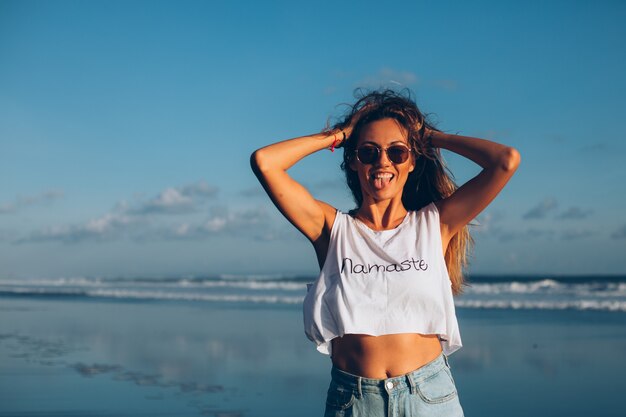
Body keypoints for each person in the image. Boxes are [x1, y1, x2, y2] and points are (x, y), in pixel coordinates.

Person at [250, 89, 520, 417]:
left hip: (428, 397)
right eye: (368, 152)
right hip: (354, 401)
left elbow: (505, 161)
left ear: (413, 161)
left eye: (397, 152)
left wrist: (429, 137)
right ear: (353, 161)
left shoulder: (436, 223)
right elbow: (266, 162)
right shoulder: (331, 228)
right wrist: (340, 134)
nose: (383, 161)